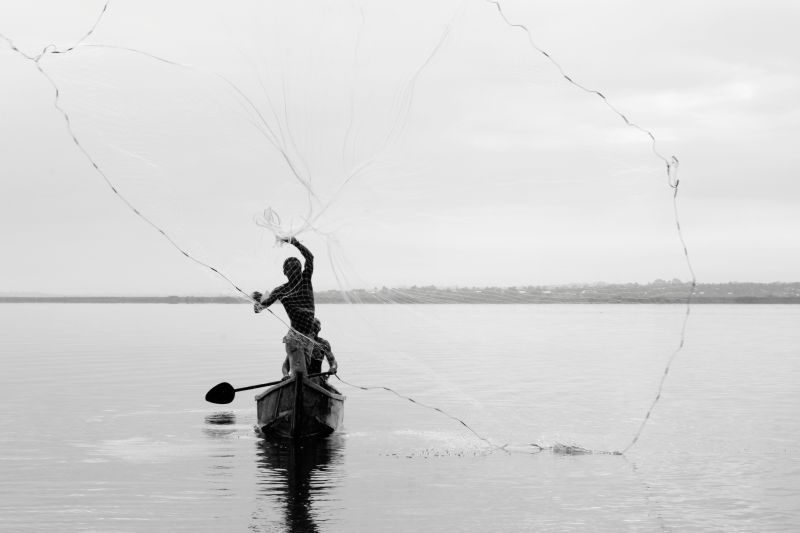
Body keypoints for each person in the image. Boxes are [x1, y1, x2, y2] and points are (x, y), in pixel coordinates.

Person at [252, 237, 316, 377]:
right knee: (300, 374)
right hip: (294, 339)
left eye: (296, 267)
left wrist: (295, 243)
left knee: (305, 376)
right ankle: (290, 378)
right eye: (290, 268)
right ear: (285, 272)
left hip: (309, 339)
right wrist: (257, 300)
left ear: (301, 269)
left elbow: (310, 258)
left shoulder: (305, 280)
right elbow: (260, 308)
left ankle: (288, 378)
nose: (294, 270)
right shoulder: (281, 290)